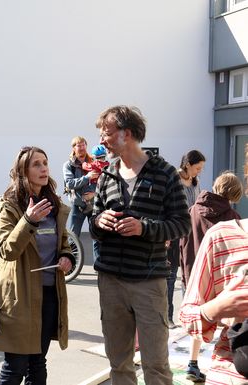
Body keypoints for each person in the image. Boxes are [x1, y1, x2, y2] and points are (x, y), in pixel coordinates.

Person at [89, 105, 191, 385]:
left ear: (128, 133)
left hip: (148, 283)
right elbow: (93, 225)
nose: (102, 140)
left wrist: (143, 227)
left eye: (107, 133)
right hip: (110, 282)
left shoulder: (165, 173)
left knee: (155, 364)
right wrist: (99, 221)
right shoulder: (106, 175)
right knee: (118, 363)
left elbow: (182, 224)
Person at [0, 146, 74, 385]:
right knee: (15, 367)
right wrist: (28, 220)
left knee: (37, 363)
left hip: (48, 295)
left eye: (45, 162)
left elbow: (63, 242)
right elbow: (6, 251)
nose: (44, 168)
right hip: (19, 296)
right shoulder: (10, 206)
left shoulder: (53, 205)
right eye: (36, 164)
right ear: (23, 171)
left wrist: (67, 257)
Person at [179, 171, 243, 382]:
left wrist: (184, 266)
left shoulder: (193, 210)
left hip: (193, 269)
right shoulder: (232, 219)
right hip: (221, 278)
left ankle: (192, 362)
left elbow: (183, 241)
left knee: (197, 314)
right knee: (224, 319)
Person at [166, 149, 206, 329]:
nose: (199, 172)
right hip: (175, 233)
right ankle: (167, 315)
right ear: (187, 165)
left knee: (189, 275)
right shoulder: (172, 179)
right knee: (171, 275)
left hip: (191, 235)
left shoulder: (195, 181)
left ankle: (186, 315)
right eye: (197, 168)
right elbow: (166, 205)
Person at [63, 136, 99, 237]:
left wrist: (94, 193)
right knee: (73, 237)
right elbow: (69, 184)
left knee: (97, 237)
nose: (82, 147)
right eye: (79, 145)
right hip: (78, 205)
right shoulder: (69, 165)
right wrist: (87, 177)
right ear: (74, 148)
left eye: (83, 145)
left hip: (93, 204)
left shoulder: (94, 162)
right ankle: (72, 254)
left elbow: (101, 181)